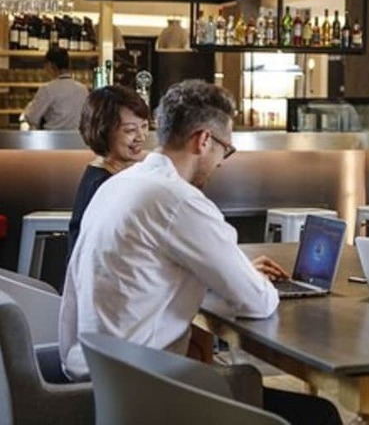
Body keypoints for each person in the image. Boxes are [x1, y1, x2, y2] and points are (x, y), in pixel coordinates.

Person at [59, 79, 342, 425]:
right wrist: (245, 278)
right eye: (226, 149)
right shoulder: (178, 200)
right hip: (144, 389)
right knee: (321, 415)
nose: (223, 162)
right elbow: (258, 301)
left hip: (98, 372)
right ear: (204, 140)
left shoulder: (117, 185)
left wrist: (226, 274)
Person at [67, 85, 151, 261]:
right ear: (103, 131)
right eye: (130, 130)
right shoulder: (102, 183)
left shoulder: (116, 174)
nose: (141, 137)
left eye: (144, 127)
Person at [21, 47, 88, 130]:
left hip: (52, 140)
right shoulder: (83, 89)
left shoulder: (47, 89)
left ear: (50, 65)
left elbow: (31, 117)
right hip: (78, 140)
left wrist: (28, 109)